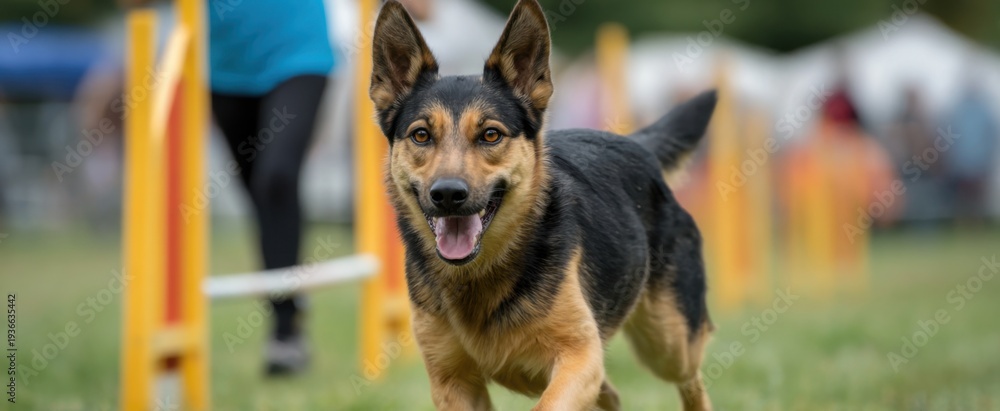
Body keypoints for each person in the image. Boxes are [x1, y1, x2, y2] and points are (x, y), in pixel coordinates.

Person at [207, 0, 336, 375]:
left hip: (300, 52)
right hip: (224, 66)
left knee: (276, 178)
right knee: (261, 199)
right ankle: (290, 308)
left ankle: (284, 334)